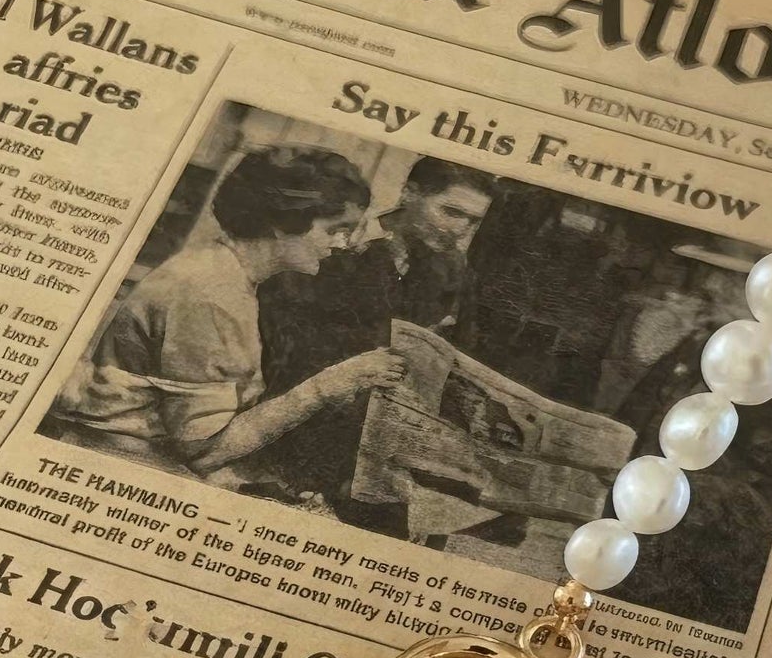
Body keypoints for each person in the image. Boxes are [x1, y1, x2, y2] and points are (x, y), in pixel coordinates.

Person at [41, 145, 404, 479]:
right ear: (284, 222)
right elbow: (205, 452)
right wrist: (327, 387)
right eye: (335, 230)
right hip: (115, 461)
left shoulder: (224, 270)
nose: (342, 244)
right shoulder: (212, 294)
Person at [252, 156, 496, 512]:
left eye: (473, 221)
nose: (459, 229)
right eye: (451, 212)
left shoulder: (453, 271)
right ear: (410, 193)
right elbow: (276, 332)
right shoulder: (338, 238)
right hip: (294, 401)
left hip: (379, 426)